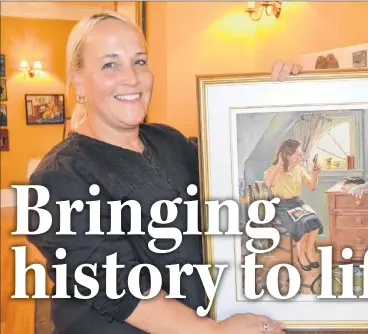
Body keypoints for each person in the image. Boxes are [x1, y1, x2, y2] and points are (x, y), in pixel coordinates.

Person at [26, 11, 302, 334]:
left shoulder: (167, 140)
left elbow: (229, 159)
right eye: (110, 64)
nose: (131, 77)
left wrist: (283, 96)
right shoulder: (60, 177)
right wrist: (218, 331)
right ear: (77, 81)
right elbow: (127, 293)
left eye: (139, 61)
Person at [263, 139, 323, 271]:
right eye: (298, 154)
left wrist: (314, 174)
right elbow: (267, 184)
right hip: (281, 206)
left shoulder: (299, 170)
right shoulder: (273, 170)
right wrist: (279, 165)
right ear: (287, 155)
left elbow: (312, 187)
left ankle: (308, 250)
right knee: (301, 223)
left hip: (296, 202)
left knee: (314, 219)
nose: (301, 157)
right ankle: (301, 255)